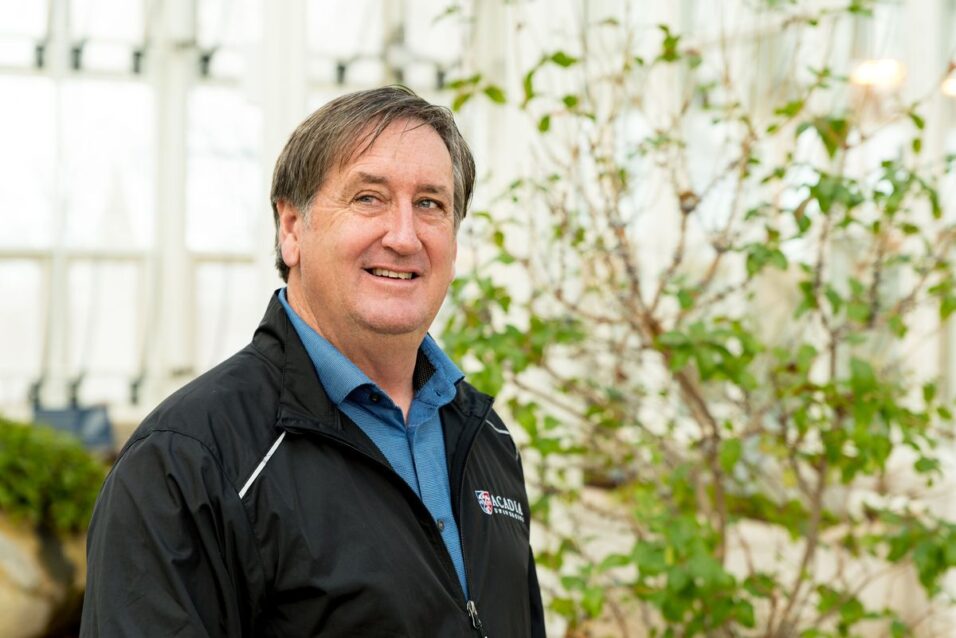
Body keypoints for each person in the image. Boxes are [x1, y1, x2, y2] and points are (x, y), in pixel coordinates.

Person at [80, 85, 546, 637]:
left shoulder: (484, 436)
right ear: (291, 228)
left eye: (430, 204)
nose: (404, 236)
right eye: (368, 198)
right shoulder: (187, 461)